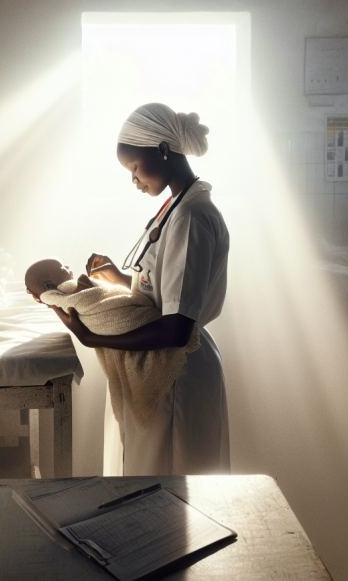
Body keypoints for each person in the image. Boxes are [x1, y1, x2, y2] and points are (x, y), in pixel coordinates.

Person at [51, 102, 231, 476]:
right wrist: (120, 278)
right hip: (163, 365)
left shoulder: (191, 216)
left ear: (163, 150)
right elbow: (166, 290)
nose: (134, 180)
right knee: (148, 478)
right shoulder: (176, 207)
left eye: (134, 167)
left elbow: (177, 328)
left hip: (177, 368)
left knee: (167, 485)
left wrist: (94, 338)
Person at [25, 258, 200, 431]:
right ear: (49, 285)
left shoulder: (62, 295)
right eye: (62, 267)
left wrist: (90, 339)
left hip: (168, 351)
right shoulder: (70, 290)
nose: (68, 266)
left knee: (160, 437)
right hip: (146, 338)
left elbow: (176, 331)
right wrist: (118, 277)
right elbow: (81, 300)